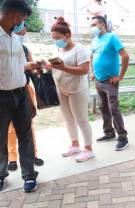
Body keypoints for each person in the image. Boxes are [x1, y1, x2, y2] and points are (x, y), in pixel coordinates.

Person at [0, 0, 40, 192]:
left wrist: (37, 64)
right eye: (22, 20)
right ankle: (1, 175)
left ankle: (29, 175)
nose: (22, 24)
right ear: (15, 16)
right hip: (1, 97)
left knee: (26, 136)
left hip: (21, 94)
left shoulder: (15, 39)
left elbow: (22, 66)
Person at [43, 17, 95, 162]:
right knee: (68, 119)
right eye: (53, 38)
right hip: (62, 88)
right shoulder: (59, 48)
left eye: (57, 37)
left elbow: (84, 70)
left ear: (67, 35)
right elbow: (59, 66)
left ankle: (88, 149)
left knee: (81, 120)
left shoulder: (80, 49)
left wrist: (63, 67)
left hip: (77, 89)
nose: (55, 40)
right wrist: (49, 66)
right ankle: (74, 144)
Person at [8, 23, 44, 171]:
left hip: (25, 88)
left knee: (28, 125)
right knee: (9, 128)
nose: (21, 34)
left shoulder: (25, 49)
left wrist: (38, 70)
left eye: (23, 31)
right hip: (7, 91)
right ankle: (12, 158)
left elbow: (31, 69)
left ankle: (32, 155)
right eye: (19, 30)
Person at [90, 16, 130, 151]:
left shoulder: (112, 38)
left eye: (94, 24)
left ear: (102, 25)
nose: (92, 27)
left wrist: (121, 76)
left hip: (110, 81)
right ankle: (109, 133)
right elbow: (91, 57)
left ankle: (123, 137)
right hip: (98, 80)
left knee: (114, 109)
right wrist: (92, 72)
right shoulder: (94, 40)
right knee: (103, 108)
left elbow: (125, 56)